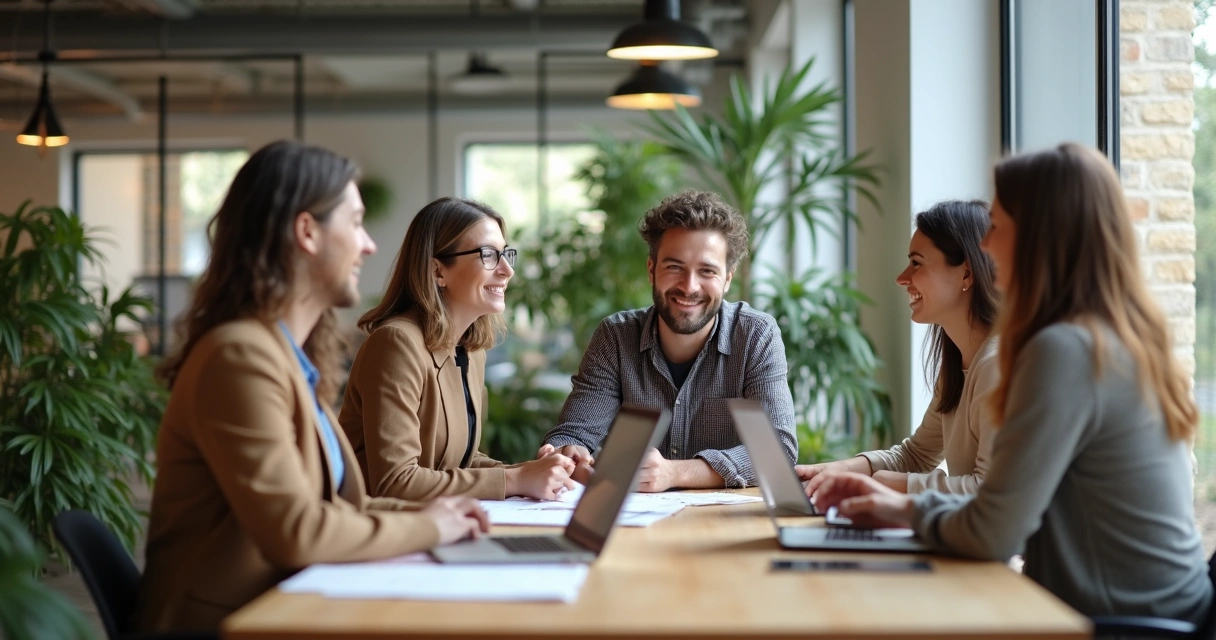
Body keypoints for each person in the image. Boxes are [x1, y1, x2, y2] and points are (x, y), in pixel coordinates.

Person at [812, 143, 1212, 624]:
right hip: (1154, 611)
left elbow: (995, 532)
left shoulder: (1062, 350)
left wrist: (898, 506)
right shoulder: (1110, 337)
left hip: (1120, 623)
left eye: (997, 227)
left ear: (1039, 237)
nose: (985, 245)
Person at [136, 141, 489, 633]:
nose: (369, 244)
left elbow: (347, 509)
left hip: (287, 604)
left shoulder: (284, 356)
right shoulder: (239, 356)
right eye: (355, 222)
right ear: (307, 232)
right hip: (231, 621)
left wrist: (449, 515)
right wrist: (432, 526)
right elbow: (296, 531)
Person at [539, 189, 797, 491]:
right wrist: (568, 453)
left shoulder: (755, 336)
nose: (689, 287)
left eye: (707, 271)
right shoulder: (616, 337)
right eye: (674, 267)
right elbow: (575, 433)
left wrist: (675, 473)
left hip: (723, 524)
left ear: (727, 279)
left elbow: (778, 450)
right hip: (634, 526)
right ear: (652, 270)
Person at [339, 197, 575, 501]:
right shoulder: (396, 344)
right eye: (488, 255)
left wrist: (533, 471)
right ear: (438, 271)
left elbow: (456, 463)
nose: (507, 271)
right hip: (376, 532)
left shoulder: (471, 350)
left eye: (505, 255)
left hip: (436, 526)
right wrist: (514, 479)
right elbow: (395, 481)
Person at [797, 200, 999, 495]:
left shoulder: (997, 365)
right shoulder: (958, 364)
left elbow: (988, 490)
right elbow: (915, 456)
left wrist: (879, 484)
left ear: (966, 274)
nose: (902, 278)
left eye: (917, 262)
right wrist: (828, 472)